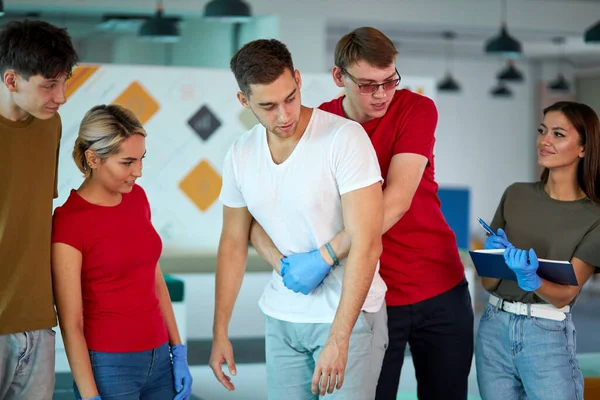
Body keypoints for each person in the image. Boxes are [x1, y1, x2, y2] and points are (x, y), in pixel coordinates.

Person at [249, 27, 474, 399]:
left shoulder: (416, 109)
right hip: (372, 298)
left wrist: (326, 254)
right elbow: (265, 207)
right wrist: (281, 261)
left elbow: (396, 201)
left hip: (438, 287)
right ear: (339, 77)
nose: (382, 94)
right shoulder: (318, 126)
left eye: (390, 81)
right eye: (369, 84)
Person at [209, 38, 388, 399]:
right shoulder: (240, 153)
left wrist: (340, 339)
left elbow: (367, 242)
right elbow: (233, 241)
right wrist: (220, 332)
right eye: (268, 106)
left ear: (299, 80)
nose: (284, 115)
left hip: (346, 318)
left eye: (290, 97)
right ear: (244, 102)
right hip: (282, 318)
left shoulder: (344, 139)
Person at [51, 104, 193, 400]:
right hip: (109, 366)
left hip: (160, 360)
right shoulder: (69, 221)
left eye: (141, 159)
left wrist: (177, 349)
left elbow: (154, 280)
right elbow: (71, 323)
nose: (138, 172)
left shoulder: (137, 198)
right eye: (127, 162)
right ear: (93, 158)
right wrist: (90, 396)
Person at [476, 101, 600, 400]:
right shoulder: (515, 194)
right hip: (493, 329)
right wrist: (494, 259)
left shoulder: (594, 216)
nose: (545, 140)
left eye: (558, 134)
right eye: (542, 130)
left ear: (583, 148)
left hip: (546, 335)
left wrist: (533, 281)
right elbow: (489, 284)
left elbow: (566, 294)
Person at [0, 20, 78, 400]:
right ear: (12, 80)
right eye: (49, 85)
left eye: (64, 82)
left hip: (38, 323)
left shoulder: (51, 126)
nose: (61, 96)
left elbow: (32, 214)